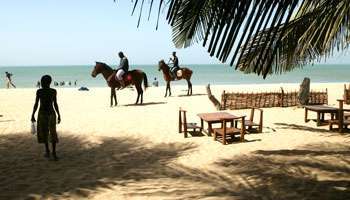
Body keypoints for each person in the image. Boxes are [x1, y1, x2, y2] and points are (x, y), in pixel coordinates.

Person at [31, 75, 61, 161]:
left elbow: (36, 104)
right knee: (51, 133)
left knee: (47, 133)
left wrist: (33, 114)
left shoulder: (40, 91)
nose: (42, 83)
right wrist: (58, 114)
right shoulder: (53, 91)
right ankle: (52, 152)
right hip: (50, 114)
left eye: (42, 81)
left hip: (43, 114)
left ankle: (49, 151)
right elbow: (55, 104)